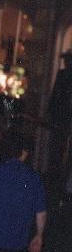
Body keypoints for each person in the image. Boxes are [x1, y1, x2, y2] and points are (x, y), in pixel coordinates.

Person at [46, 49, 72, 205]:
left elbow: (55, 98)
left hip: (63, 119)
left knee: (59, 151)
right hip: (62, 119)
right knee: (58, 151)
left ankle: (59, 181)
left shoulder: (63, 75)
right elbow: (55, 98)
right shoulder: (62, 75)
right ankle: (57, 181)